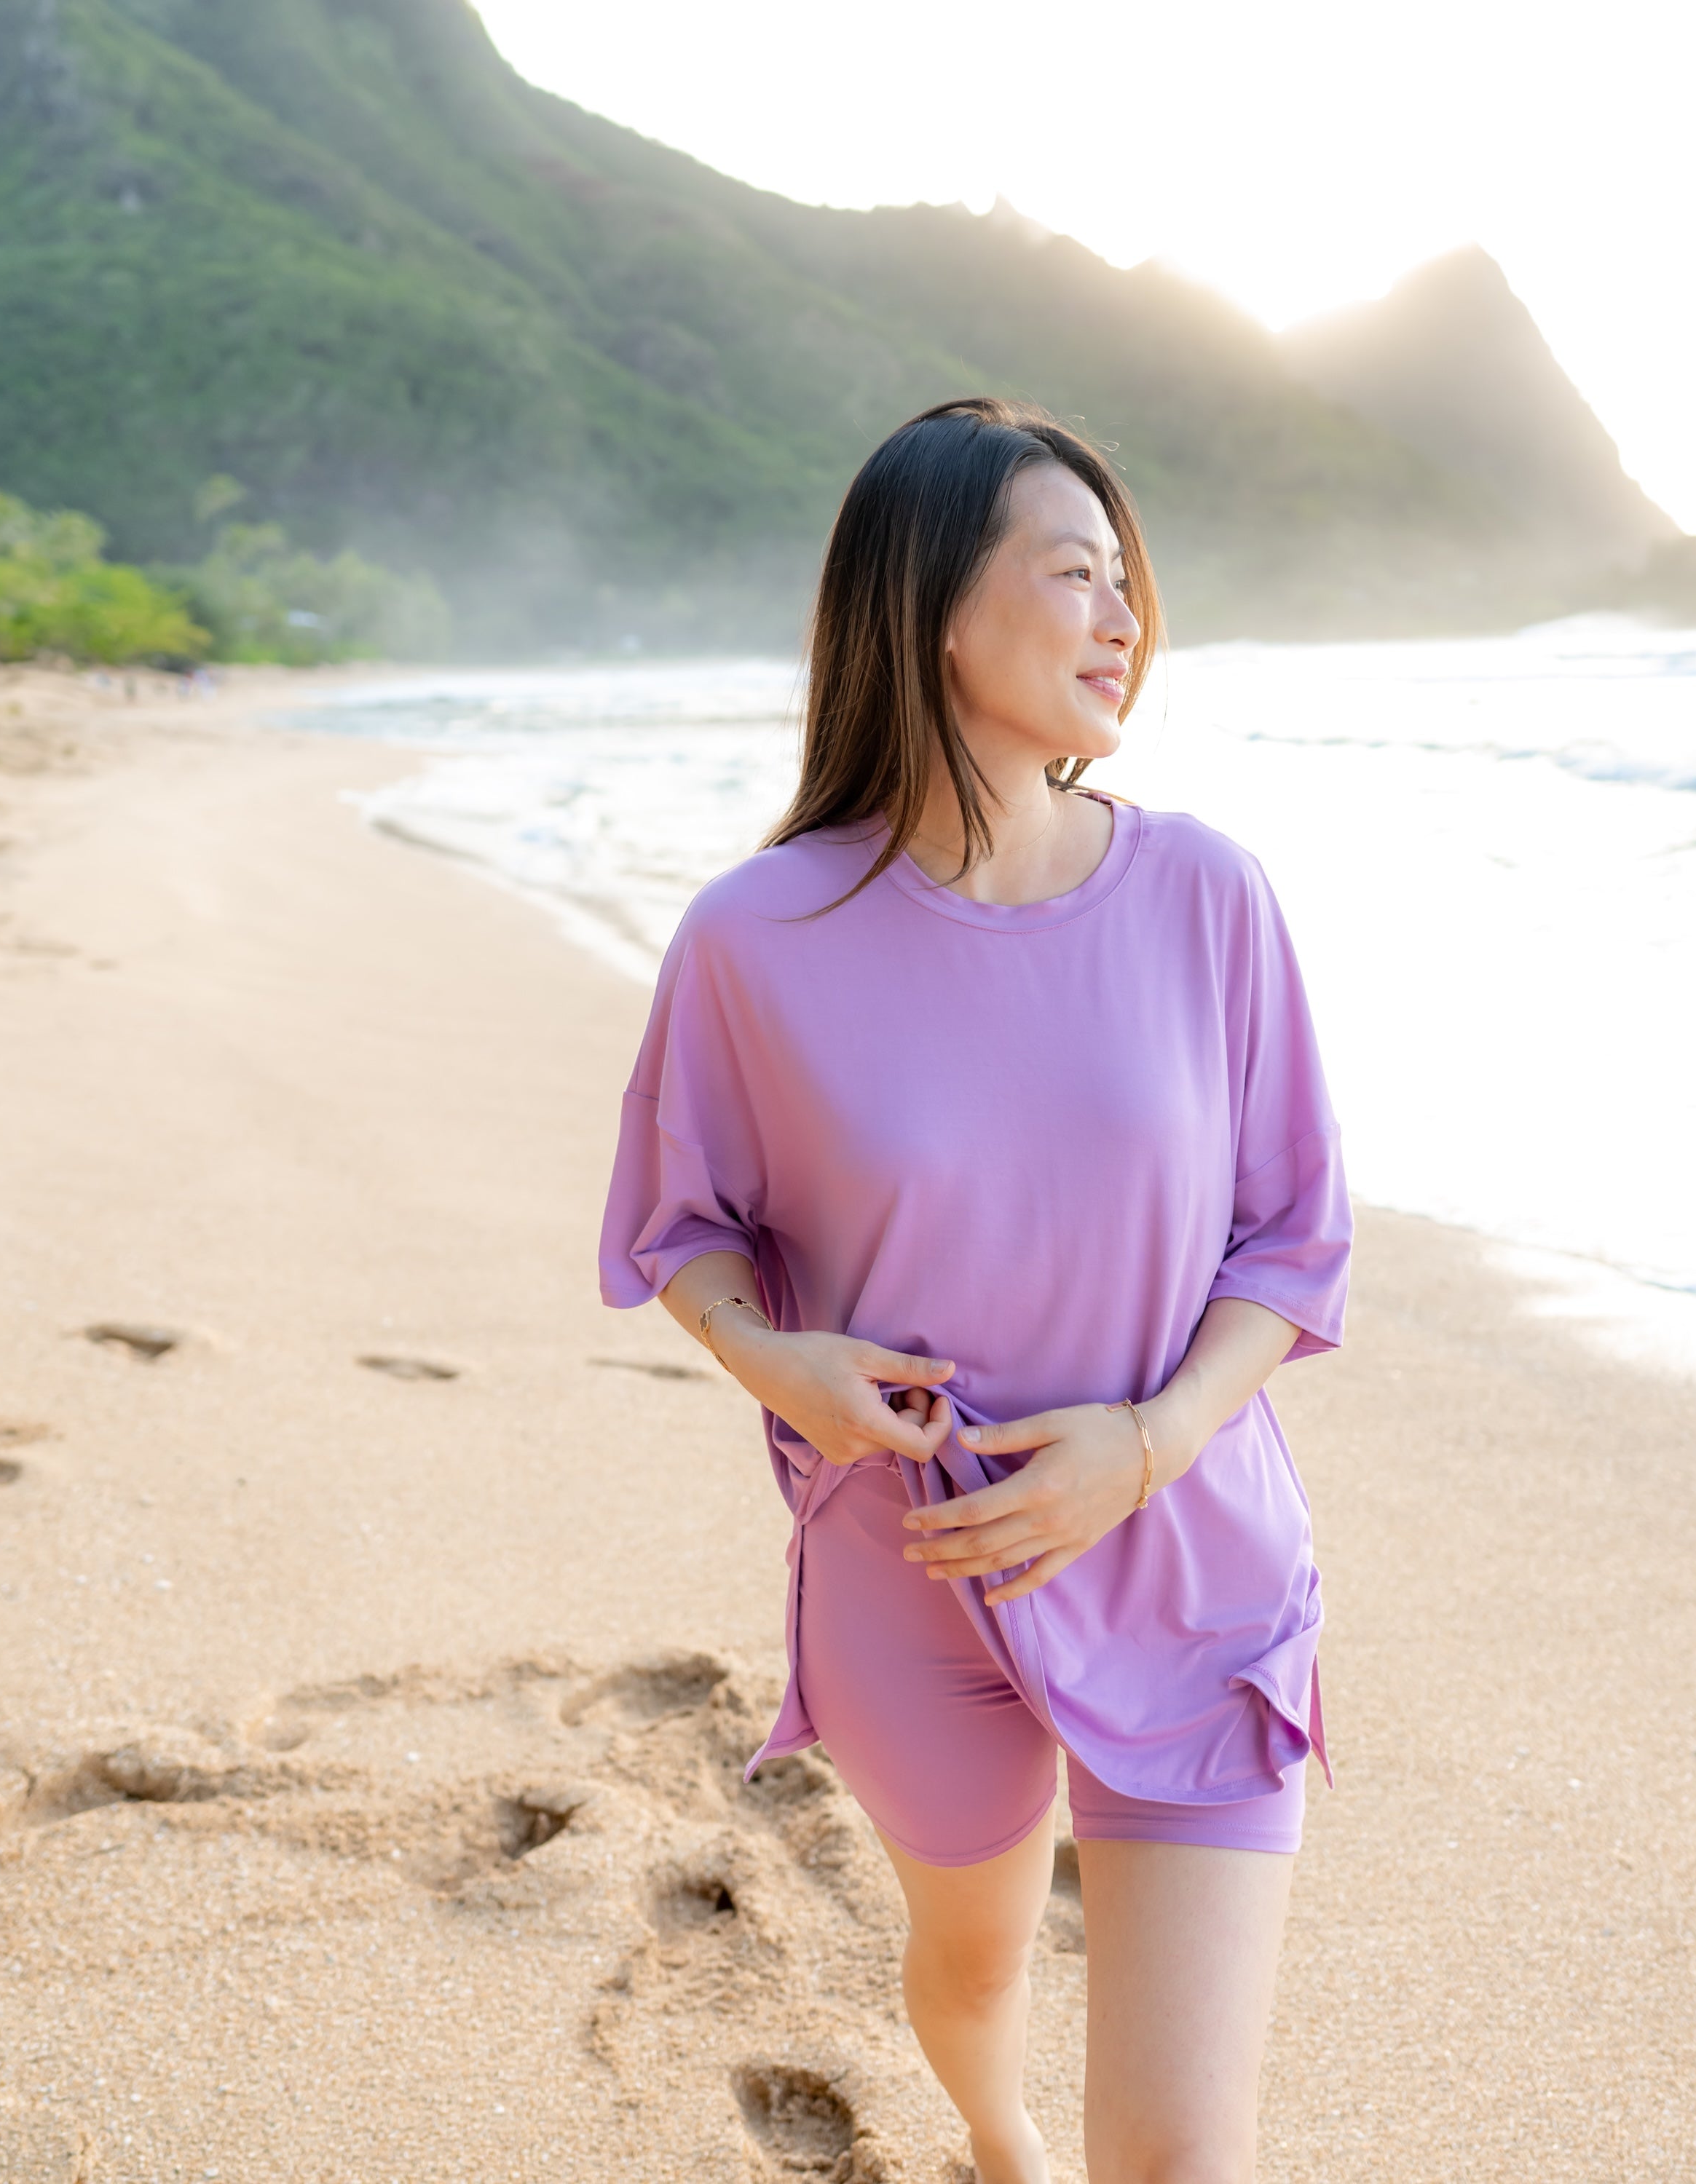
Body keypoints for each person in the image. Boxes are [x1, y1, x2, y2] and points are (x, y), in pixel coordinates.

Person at [599, 396, 1351, 2184]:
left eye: (1129, 584)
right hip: (912, 1574)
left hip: (1192, 1564)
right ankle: (997, 2140)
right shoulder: (755, 938)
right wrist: (779, 1369)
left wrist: (1151, 1446)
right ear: (938, 604)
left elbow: (1294, 1242)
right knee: (975, 1961)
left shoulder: (1207, 898)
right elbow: (680, 1226)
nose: (1124, 621)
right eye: (1076, 575)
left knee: (1178, 2157)